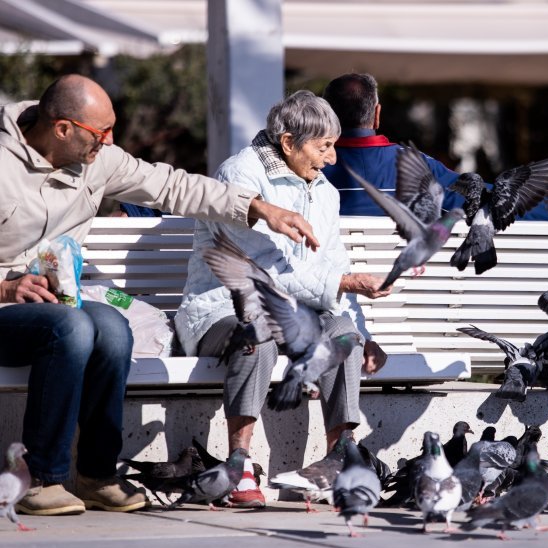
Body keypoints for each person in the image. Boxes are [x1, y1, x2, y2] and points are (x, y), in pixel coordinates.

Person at [0, 74, 319, 517]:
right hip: (6, 307)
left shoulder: (99, 160)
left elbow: (172, 185)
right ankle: (43, 478)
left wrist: (257, 207)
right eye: (100, 133)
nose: (109, 142)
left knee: (113, 328)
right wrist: (7, 286)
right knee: (72, 328)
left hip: (56, 302)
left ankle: (96, 475)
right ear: (62, 129)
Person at [174, 90, 390, 508]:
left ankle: (340, 458)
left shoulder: (325, 190)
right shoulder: (239, 176)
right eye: (323, 147)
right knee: (258, 329)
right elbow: (268, 273)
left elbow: (333, 265)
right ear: (289, 143)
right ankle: (239, 463)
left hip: (297, 316)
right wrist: (346, 282)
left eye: (333, 147)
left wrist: (362, 332)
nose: (331, 159)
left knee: (342, 334)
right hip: (223, 310)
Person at [321, 72, 548, 238]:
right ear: (377, 114)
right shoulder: (421, 168)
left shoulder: (306, 172)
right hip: (407, 309)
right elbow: (497, 200)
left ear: (327, 114)